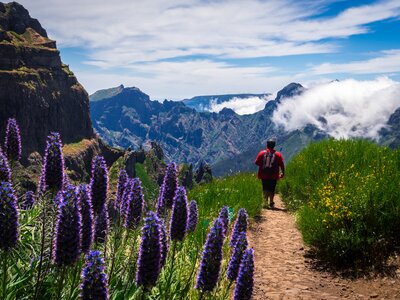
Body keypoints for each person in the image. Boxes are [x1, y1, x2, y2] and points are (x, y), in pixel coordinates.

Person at [255, 139, 285, 208]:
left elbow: (256, 162)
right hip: (274, 175)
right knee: (272, 188)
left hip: (263, 174)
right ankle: (271, 202)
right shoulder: (278, 154)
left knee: (265, 188)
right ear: (274, 146)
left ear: (267, 145)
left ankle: (265, 202)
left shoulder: (262, 153)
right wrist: (283, 173)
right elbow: (281, 164)